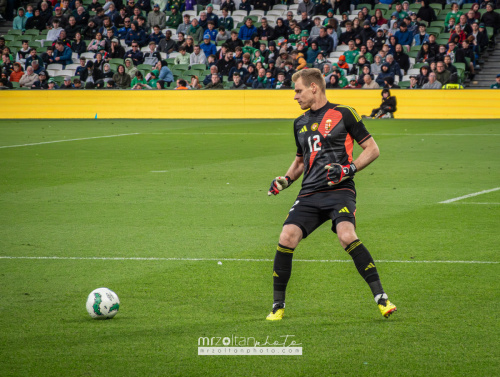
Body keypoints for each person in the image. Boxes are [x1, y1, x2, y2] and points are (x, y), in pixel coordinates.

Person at [266, 68, 396, 321]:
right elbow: (301, 162)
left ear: (314, 87)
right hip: (310, 193)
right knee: (287, 236)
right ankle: (277, 305)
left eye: (298, 90)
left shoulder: (344, 113)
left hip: (340, 190)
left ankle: (381, 298)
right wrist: (285, 180)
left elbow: (372, 149)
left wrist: (349, 168)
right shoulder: (300, 123)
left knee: (347, 235)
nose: (295, 97)